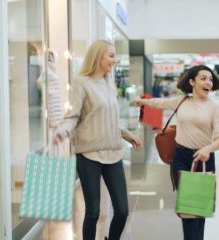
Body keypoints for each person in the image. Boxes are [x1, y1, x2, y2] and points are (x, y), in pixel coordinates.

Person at [53, 39, 143, 240]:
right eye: (111, 56)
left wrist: (129, 136)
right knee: (93, 212)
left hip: (113, 152)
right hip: (89, 155)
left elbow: (108, 120)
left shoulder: (108, 83)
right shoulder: (81, 82)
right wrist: (62, 131)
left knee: (122, 210)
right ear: (98, 57)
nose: (115, 60)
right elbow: (73, 115)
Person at [134, 65, 219, 240]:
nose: (208, 83)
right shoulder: (182, 101)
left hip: (204, 160)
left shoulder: (214, 108)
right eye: (203, 78)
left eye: (210, 79)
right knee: (189, 212)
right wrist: (143, 101)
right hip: (182, 158)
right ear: (192, 82)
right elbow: (159, 103)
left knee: (200, 212)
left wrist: (207, 149)